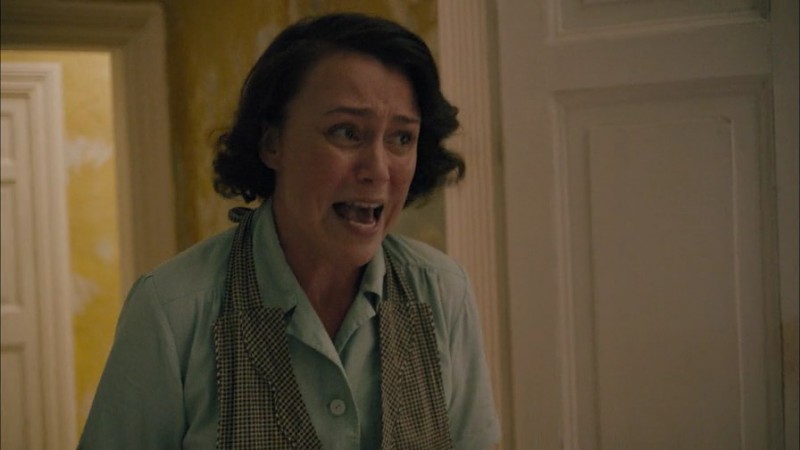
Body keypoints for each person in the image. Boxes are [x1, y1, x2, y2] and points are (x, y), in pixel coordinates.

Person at [79, 12, 500, 450]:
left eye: (401, 138)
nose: (378, 170)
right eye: (346, 132)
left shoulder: (442, 292)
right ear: (271, 142)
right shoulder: (173, 310)